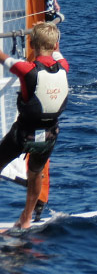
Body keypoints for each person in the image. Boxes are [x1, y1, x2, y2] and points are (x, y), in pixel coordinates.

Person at [0, 22, 69, 229]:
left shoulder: (26, 69)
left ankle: (26, 218)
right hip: (49, 135)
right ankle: (27, 218)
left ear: (31, 43)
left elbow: (3, 57)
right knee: (35, 172)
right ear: (55, 44)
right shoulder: (63, 67)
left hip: (23, 134)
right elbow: (57, 54)